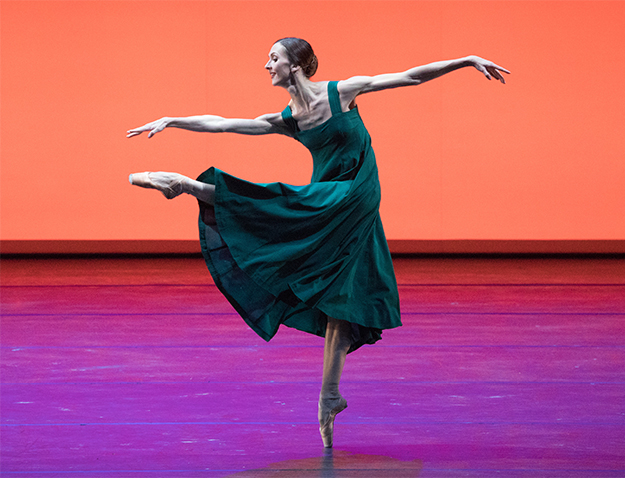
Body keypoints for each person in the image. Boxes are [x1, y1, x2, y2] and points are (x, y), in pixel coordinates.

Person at [127, 37, 509, 447]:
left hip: (355, 193)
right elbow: (222, 123)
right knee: (341, 301)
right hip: (332, 201)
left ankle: (189, 186)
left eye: (273, 58)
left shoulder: (341, 92)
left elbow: (411, 77)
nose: (266, 65)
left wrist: (466, 59)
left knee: (283, 205)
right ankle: (330, 396)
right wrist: (172, 120)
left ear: (295, 65)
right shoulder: (288, 119)